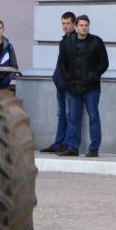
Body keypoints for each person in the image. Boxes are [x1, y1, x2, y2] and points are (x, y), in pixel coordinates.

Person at [57, 14, 108, 157]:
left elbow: (104, 62)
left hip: (91, 87)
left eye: (86, 25)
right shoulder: (67, 42)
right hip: (73, 87)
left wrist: (94, 75)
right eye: (81, 25)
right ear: (76, 27)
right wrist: (67, 79)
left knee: (93, 117)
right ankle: (73, 147)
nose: (84, 28)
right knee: (73, 118)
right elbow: (62, 63)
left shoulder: (96, 42)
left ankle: (94, 148)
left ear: (89, 26)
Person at [41, 11, 76, 153]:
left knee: (69, 114)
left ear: (74, 24)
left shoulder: (75, 40)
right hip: (60, 83)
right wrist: (56, 77)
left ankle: (66, 144)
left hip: (70, 85)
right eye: (63, 23)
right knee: (61, 114)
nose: (65, 26)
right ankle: (58, 143)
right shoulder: (64, 39)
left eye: (68, 23)